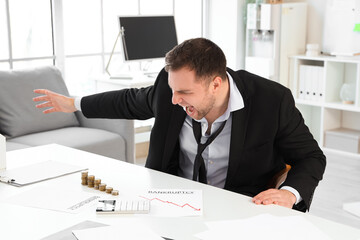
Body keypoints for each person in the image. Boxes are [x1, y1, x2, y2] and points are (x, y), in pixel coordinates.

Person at [33, 38, 326, 212]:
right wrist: (73, 104)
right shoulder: (170, 88)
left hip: (237, 208)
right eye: (173, 90)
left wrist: (290, 193)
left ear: (216, 83)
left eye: (185, 93)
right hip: (169, 202)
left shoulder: (271, 101)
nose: (174, 100)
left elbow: (311, 157)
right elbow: (128, 101)